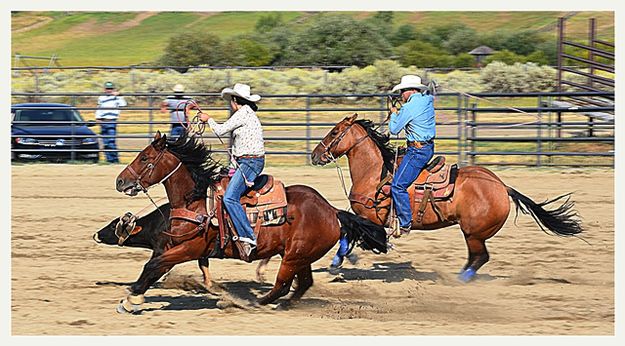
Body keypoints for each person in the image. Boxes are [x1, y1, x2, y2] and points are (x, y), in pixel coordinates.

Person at [197, 83, 265, 258]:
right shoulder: (248, 114)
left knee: (230, 197)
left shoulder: (242, 113)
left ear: (235, 101)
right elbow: (238, 146)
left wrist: (208, 119)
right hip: (246, 162)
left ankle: (248, 237)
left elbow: (220, 130)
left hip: (250, 163)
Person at [388, 74, 436, 235]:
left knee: (397, 185)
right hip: (428, 147)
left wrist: (394, 114)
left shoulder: (408, 108)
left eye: (402, 92)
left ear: (410, 91)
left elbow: (394, 130)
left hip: (417, 151)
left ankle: (405, 222)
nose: (401, 95)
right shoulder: (427, 101)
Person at [95, 81, 127, 163]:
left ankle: (114, 160)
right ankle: (109, 159)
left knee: (111, 141)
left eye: (110, 89)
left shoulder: (116, 98)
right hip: (103, 121)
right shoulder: (101, 97)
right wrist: (98, 117)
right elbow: (99, 108)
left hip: (111, 120)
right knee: (105, 141)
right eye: (107, 89)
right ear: (104, 89)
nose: (109, 90)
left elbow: (123, 104)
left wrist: (119, 96)